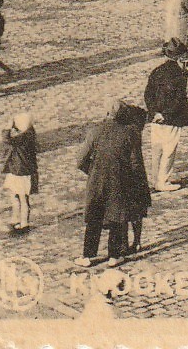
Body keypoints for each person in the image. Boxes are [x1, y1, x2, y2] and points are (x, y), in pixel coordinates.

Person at [74, 100, 151, 268]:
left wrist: (94, 171)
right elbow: (136, 164)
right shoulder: (130, 134)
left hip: (97, 182)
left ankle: (88, 256)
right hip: (120, 182)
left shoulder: (95, 132)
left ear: (107, 114)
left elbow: (80, 161)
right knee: (116, 217)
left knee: (94, 217)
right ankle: (114, 256)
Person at [144, 40, 188, 191]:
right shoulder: (179, 75)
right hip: (171, 119)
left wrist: (154, 112)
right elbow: (179, 99)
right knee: (169, 150)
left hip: (156, 118)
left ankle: (154, 179)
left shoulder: (157, 71)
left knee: (156, 149)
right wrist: (166, 114)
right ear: (180, 57)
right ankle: (162, 181)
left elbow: (148, 94)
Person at [1, 111, 38, 232]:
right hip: (24, 172)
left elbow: (6, 139)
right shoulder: (30, 135)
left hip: (18, 172)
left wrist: (7, 127)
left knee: (18, 197)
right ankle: (21, 221)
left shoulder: (21, 139)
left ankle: (21, 222)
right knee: (23, 198)